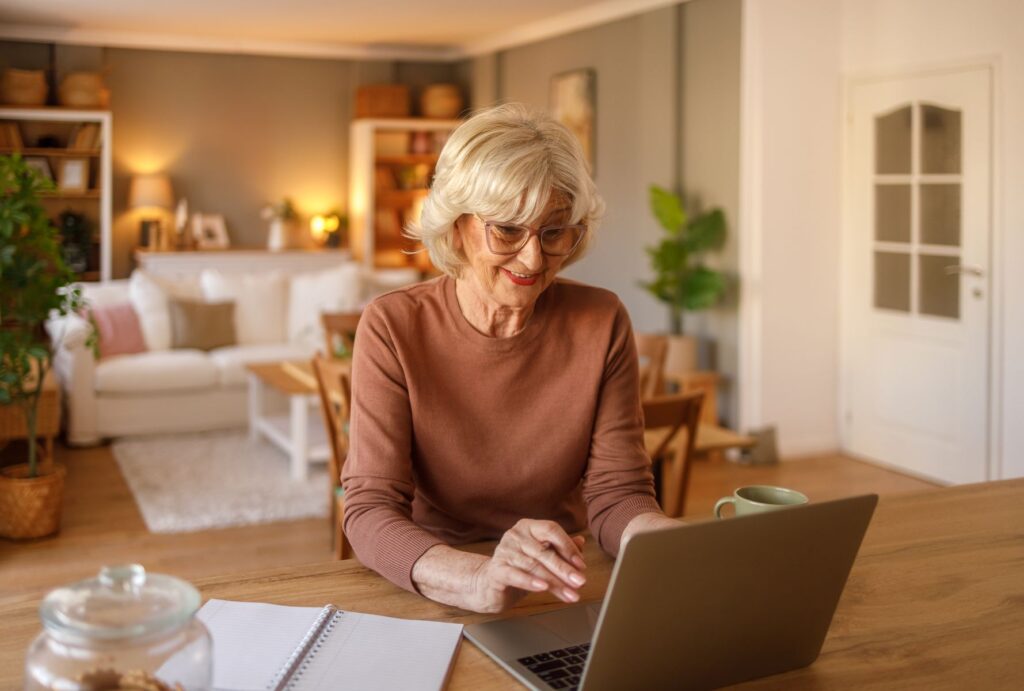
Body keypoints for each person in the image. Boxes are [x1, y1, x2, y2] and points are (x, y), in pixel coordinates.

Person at [341, 103, 680, 614]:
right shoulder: (393, 326)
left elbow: (619, 492)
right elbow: (369, 510)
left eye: (554, 231)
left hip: (560, 578)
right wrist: (476, 577)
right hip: (441, 574)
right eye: (507, 230)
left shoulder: (601, 320)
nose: (533, 259)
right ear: (457, 225)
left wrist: (671, 541)